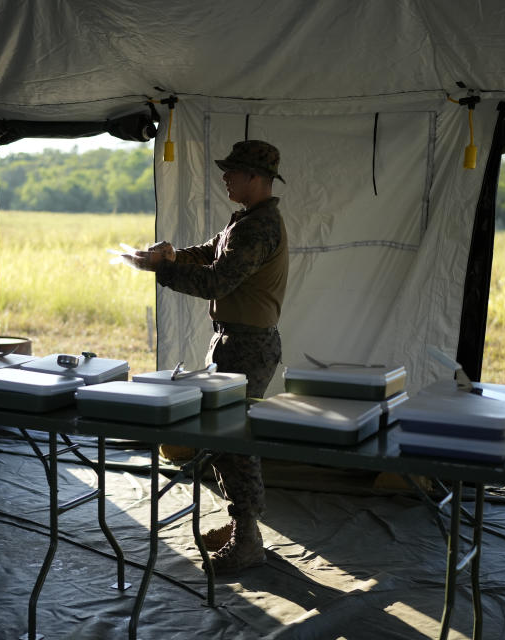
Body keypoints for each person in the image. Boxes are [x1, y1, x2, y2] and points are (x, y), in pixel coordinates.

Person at [125, 139, 288, 574]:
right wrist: (171, 255)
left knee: (231, 442)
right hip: (236, 342)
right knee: (224, 440)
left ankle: (248, 537)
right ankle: (243, 526)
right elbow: (211, 251)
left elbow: (217, 281)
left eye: (232, 171)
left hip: (247, 346)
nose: (225, 177)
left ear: (255, 177)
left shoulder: (258, 226)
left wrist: (164, 270)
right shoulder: (248, 220)